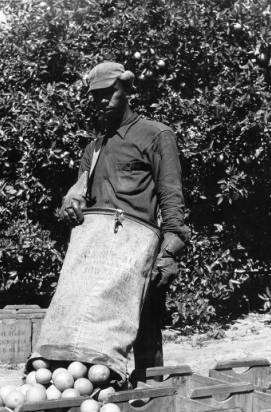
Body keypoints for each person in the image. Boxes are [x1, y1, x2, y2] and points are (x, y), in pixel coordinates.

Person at [59, 61, 190, 371]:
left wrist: (170, 251)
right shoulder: (93, 149)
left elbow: (172, 197)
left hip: (137, 257)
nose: (101, 102)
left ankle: (149, 401)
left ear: (126, 90)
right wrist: (70, 201)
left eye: (108, 94)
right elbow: (81, 201)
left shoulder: (156, 135)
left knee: (142, 339)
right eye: (95, 97)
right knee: (94, 342)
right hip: (97, 260)